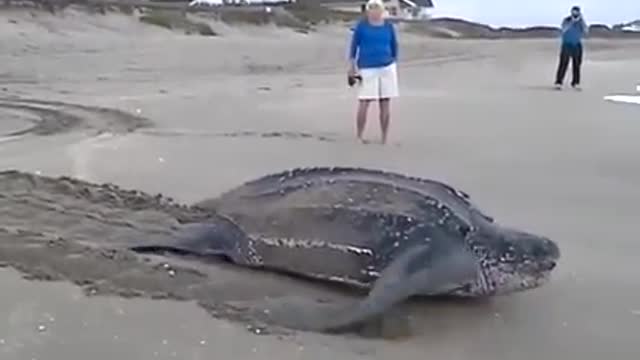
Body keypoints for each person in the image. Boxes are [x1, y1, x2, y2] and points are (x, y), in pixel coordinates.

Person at [348, 0, 398, 144]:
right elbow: (353, 46)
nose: (374, 11)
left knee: (385, 102)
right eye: (372, 8)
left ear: (382, 10)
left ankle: (384, 138)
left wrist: (393, 59)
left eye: (377, 8)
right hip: (367, 67)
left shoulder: (388, 26)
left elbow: (394, 45)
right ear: (368, 11)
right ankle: (359, 136)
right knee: (364, 101)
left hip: (387, 67)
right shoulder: (362, 26)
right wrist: (351, 65)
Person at [554, 5, 588, 90]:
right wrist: (572, 22)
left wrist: (582, 20)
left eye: (577, 11)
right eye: (574, 11)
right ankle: (559, 82)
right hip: (567, 44)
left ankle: (575, 82)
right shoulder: (566, 20)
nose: (575, 13)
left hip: (576, 45)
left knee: (576, 64)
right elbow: (563, 29)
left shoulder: (581, 22)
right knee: (563, 63)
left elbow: (586, 31)